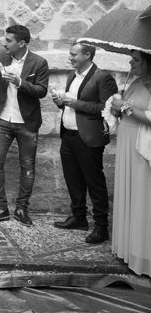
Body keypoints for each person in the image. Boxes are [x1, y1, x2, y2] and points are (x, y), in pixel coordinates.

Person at [0, 24, 49, 227]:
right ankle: (1, 208)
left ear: (22, 43)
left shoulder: (39, 62)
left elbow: (41, 91)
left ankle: (22, 208)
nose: (4, 43)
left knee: (27, 165)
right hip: (2, 119)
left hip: (26, 123)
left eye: (9, 40)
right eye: (5, 39)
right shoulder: (2, 54)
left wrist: (20, 82)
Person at [51, 43, 118, 243]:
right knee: (73, 179)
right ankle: (79, 217)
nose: (70, 57)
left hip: (89, 138)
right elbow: (69, 105)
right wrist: (60, 101)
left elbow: (106, 109)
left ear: (87, 55)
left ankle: (101, 227)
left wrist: (76, 104)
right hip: (69, 135)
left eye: (74, 54)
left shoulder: (103, 77)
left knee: (94, 181)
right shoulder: (72, 75)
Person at [109, 50, 151, 276]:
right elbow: (125, 111)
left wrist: (124, 106)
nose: (130, 62)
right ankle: (129, 247)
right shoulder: (134, 82)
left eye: (136, 60)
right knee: (130, 194)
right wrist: (116, 107)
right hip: (126, 144)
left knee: (142, 196)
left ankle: (144, 253)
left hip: (141, 148)